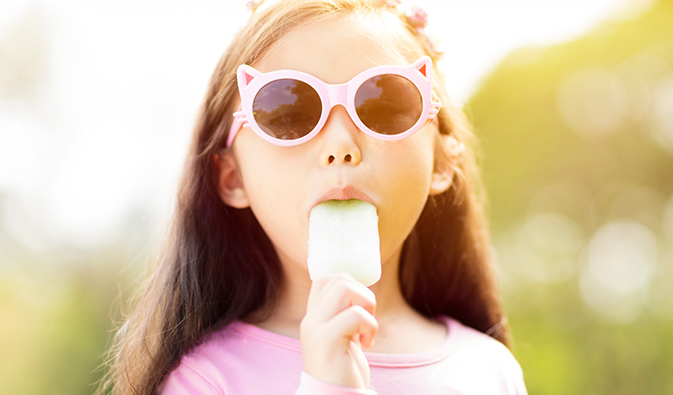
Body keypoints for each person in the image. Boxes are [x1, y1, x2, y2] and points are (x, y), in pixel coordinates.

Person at [99, 0, 528, 393]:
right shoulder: (205, 380)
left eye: (384, 105)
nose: (340, 144)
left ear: (441, 160)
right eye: (287, 114)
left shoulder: (489, 370)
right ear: (232, 178)